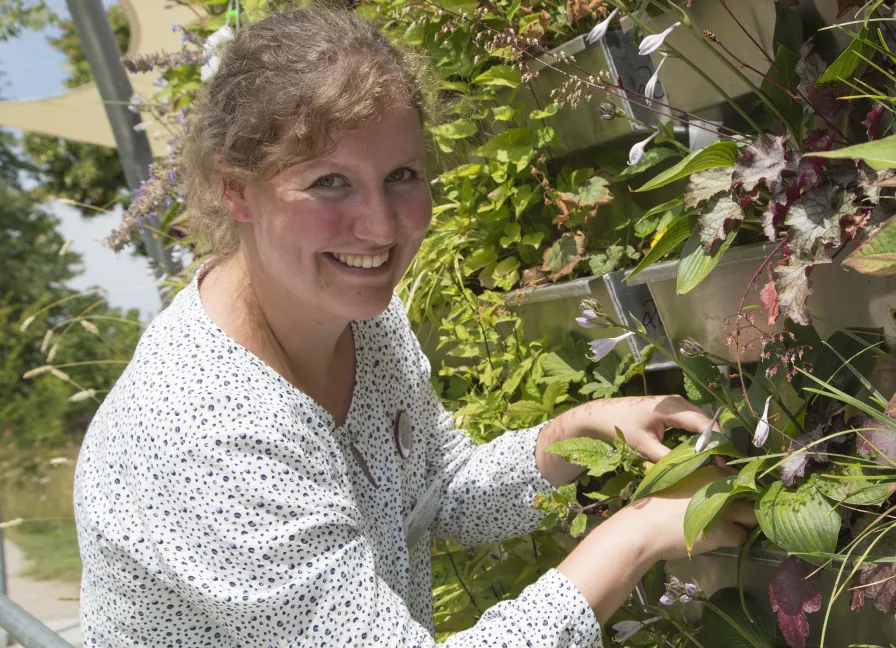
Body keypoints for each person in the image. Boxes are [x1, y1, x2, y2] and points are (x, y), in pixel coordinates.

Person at [73, 7, 753, 647]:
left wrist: (571, 434)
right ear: (234, 190)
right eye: (329, 182)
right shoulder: (206, 428)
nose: (380, 226)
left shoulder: (358, 316)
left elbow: (439, 493)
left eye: (401, 174)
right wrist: (633, 538)